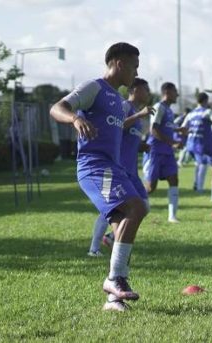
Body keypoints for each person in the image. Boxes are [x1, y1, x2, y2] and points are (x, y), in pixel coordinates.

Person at [50, 42, 146, 311]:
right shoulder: (95, 88)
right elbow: (57, 107)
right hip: (94, 167)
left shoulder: (118, 100)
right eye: (134, 66)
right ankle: (115, 279)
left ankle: (114, 300)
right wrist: (74, 119)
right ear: (119, 63)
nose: (136, 74)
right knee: (136, 207)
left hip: (112, 168)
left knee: (123, 225)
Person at [88, 78, 153, 256]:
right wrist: (139, 115)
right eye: (146, 89)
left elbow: (126, 138)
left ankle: (110, 237)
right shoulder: (124, 106)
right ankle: (93, 249)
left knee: (144, 207)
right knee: (109, 208)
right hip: (114, 168)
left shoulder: (137, 114)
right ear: (135, 89)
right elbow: (116, 127)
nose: (148, 93)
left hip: (131, 170)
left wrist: (142, 146)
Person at [143, 82, 185, 223]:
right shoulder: (159, 107)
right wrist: (173, 142)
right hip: (155, 151)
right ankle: (132, 207)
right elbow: (154, 130)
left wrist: (179, 130)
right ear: (167, 91)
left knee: (174, 180)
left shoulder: (169, 110)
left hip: (167, 152)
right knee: (150, 187)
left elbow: (167, 126)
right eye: (175, 91)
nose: (177, 95)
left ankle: (172, 216)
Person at [183, 92, 212, 201]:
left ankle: (198, 187)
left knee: (200, 164)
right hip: (206, 145)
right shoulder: (207, 111)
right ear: (206, 100)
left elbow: (183, 129)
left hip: (191, 145)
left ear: (197, 101)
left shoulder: (190, 114)